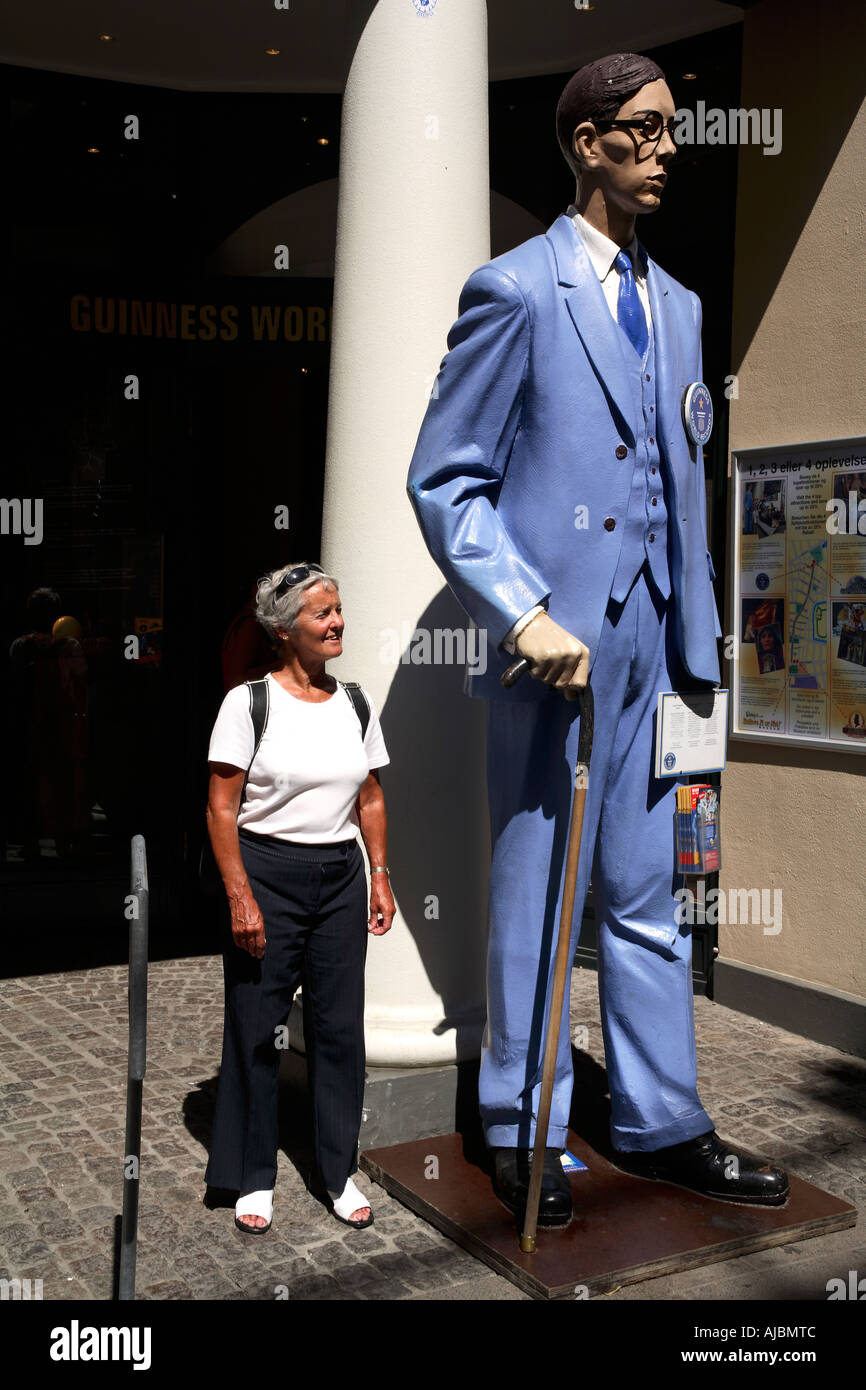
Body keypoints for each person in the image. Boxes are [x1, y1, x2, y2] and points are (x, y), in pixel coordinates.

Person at [408, 53, 788, 1225]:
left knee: (645, 896)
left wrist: (699, 641)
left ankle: (660, 1117)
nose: (667, 147)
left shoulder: (677, 308)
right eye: (643, 129)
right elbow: (444, 478)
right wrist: (520, 611)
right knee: (536, 891)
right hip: (550, 655)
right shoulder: (513, 291)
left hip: (654, 652)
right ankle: (517, 1122)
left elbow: (675, 476)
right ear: (584, 143)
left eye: (672, 129)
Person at [204, 562, 395, 1232]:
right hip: (267, 873)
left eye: (338, 609)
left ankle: (335, 1170)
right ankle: (253, 1175)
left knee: (340, 1030)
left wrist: (379, 874)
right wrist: (240, 897)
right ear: (286, 631)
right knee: (258, 1028)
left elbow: (369, 795)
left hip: (340, 877)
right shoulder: (248, 704)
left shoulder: (356, 703)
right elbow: (221, 809)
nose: (337, 621)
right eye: (322, 614)